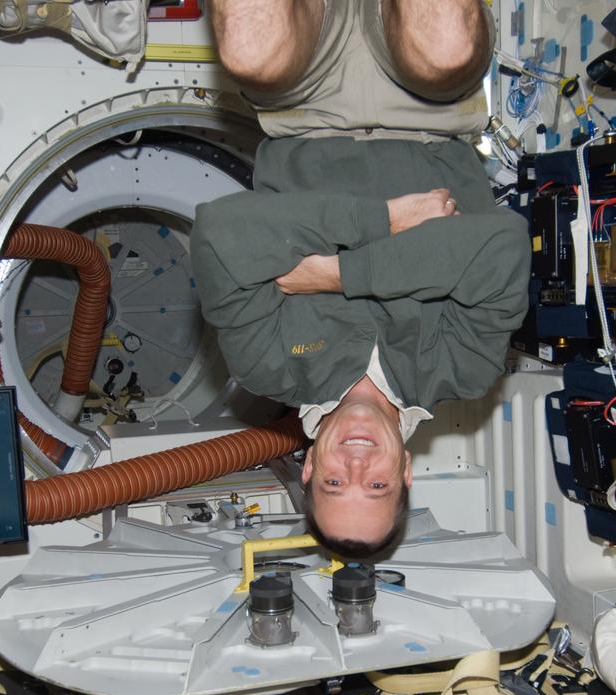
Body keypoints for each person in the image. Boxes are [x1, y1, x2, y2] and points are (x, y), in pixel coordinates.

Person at [191, 0, 530, 558]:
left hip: (304, 105)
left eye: (333, 483)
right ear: (405, 472)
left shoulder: (268, 365)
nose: (355, 462)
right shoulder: (462, 370)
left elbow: (221, 235)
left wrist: (385, 228)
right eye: (376, 485)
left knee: (249, 46)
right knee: (445, 40)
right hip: (431, 110)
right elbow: (499, 249)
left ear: (307, 472)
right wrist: (326, 272)